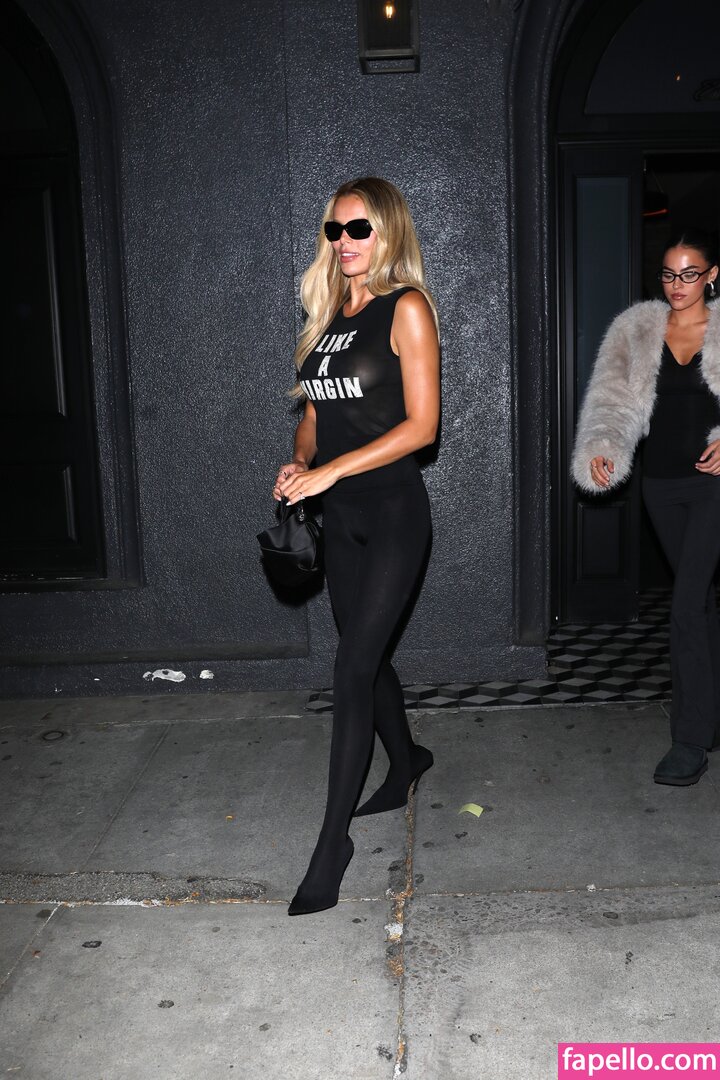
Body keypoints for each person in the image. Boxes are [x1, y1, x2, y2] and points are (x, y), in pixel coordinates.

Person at [273, 177, 440, 916]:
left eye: (360, 228)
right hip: (339, 519)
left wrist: (333, 470)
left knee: (350, 667)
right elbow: (315, 415)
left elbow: (422, 427)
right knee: (365, 659)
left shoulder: (406, 308)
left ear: (387, 231)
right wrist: (301, 462)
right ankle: (407, 761)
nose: (345, 241)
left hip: (394, 512)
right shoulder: (328, 314)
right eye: (335, 229)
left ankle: (330, 845)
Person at [572, 228, 720, 786]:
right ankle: (713, 712)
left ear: (711, 275)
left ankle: (690, 739)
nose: (677, 284)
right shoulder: (636, 329)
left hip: (714, 485)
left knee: (685, 603)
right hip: (660, 484)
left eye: (689, 273)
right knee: (699, 601)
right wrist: (603, 449)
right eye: (668, 273)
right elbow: (611, 401)